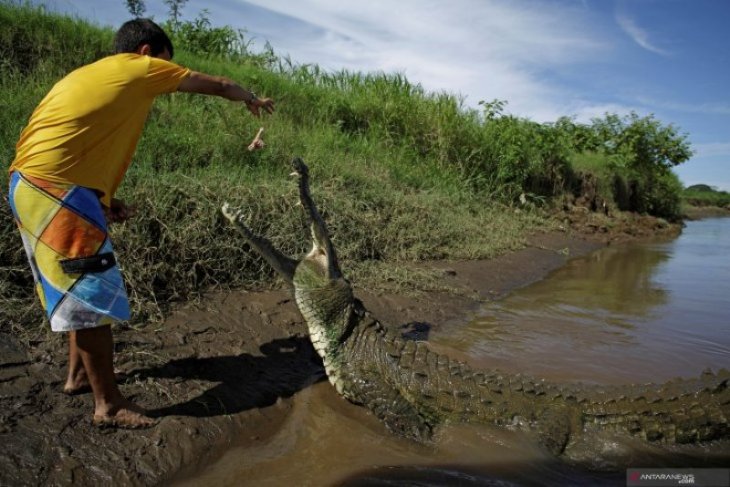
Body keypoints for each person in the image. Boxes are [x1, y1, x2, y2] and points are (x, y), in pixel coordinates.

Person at [6, 18, 274, 428]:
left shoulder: (93, 75)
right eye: (165, 64)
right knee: (94, 293)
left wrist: (103, 201)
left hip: (32, 184)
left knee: (78, 286)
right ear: (147, 52)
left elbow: (78, 142)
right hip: (57, 189)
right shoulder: (138, 67)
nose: (164, 77)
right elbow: (219, 84)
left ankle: (77, 377)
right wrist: (250, 98)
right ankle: (108, 406)